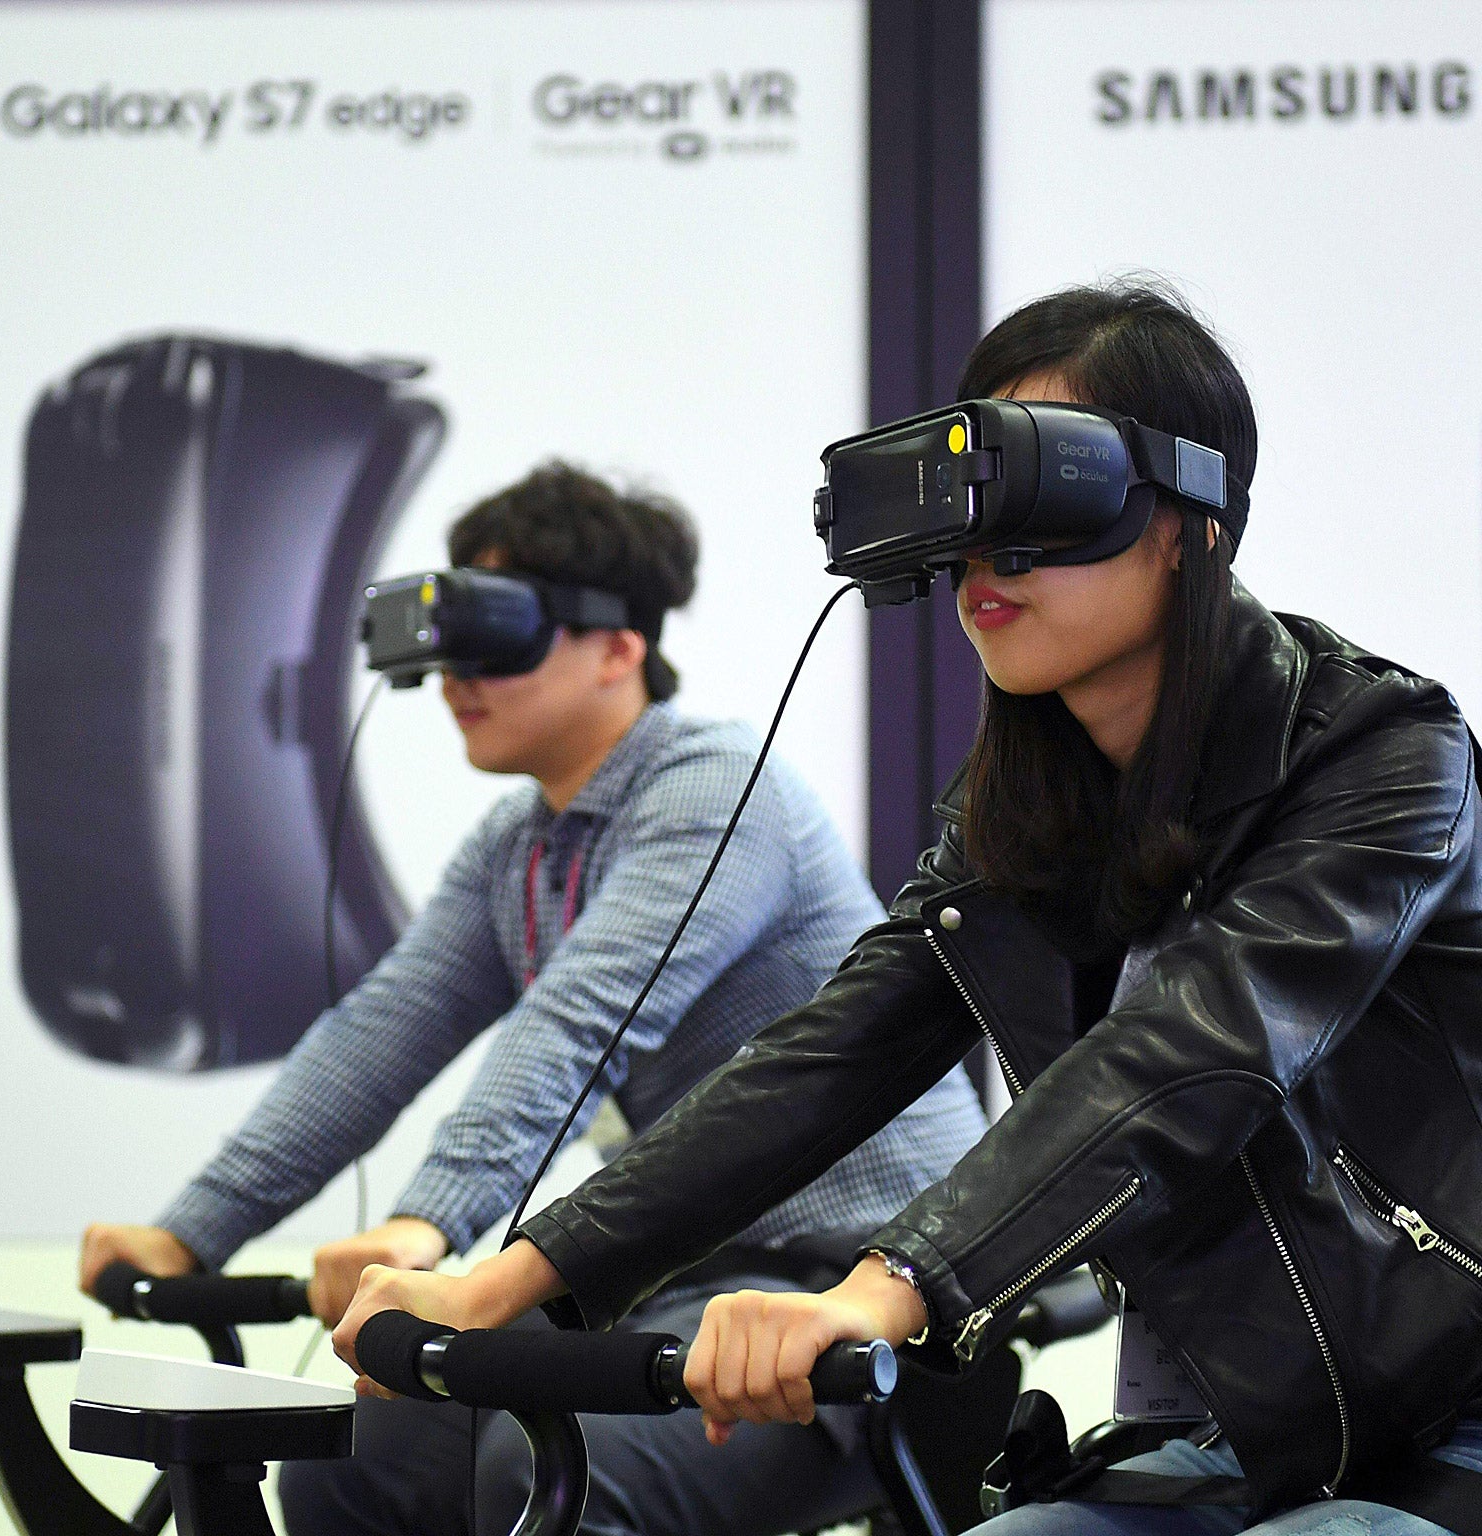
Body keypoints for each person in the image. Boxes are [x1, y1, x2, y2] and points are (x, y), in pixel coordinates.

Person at [336, 284, 1482, 1536]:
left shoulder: (1379, 751)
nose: (988, 557)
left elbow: (1197, 1054)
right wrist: (510, 1284)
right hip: (1220, 1443)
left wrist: (885, 1288)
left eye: (1048, 492)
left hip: (1441, 1426)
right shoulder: (1017, 812)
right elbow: (827, 1057)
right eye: (973, 505)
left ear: (1189, 525)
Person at [79, 462, 989, 1536]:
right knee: (350, 1465)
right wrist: (190, 1233)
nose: (462, 673)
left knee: (546, 1488)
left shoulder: (715, 789)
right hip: (667, 1294)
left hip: (850, 1305)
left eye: (499, 630)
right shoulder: (517, 846)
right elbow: (372, 1037)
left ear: (619, 646)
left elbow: (577, 1026)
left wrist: (422, 1230)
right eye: (451, 633)